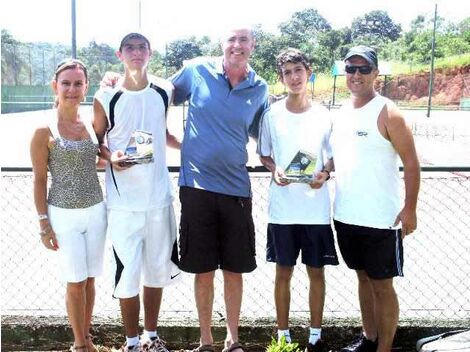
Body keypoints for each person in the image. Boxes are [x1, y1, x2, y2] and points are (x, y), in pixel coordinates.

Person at [170, 25, 269, 352]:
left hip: (237, 190)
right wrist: (171, 141)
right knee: (202, 270)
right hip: (196, 187)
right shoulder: (197, 70)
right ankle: (206, 341)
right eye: (232, 39)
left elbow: (265, 135)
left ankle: (233, 340)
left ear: (252, 47)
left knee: (233, 270)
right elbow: (158, 96)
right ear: (222, 44)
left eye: (244, 40)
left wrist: (291, 162)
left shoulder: (260, 88)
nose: (237, 45)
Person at [93, 33, 181, 352]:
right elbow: (97, 141)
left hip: (159, 201)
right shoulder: (106, 95)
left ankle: (151, 338)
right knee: (127, 274)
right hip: (123, 205)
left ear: (150, 53)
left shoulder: (165, 90)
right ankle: (131, 342)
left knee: (156, 272)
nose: (136, 52)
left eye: (141, 47)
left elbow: (163, 132)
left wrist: (190, 147)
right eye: (129, 48)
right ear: (119, 54)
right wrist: (110, 157)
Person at [330, 45, 420, 352]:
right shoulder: (341, 111)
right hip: (345, 216)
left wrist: (410, 209)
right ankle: (368, 339)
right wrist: (320, 172)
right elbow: (337, 157)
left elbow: (411, 162)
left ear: (376, 74)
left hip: (382, 220)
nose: (356, 75)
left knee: (383, 285)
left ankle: (385, 347)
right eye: (351, 69)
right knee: (363, 278)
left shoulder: (388, 112)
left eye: (363, 69)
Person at [257, 48, 338, 352]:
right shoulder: (271, 114)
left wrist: (325, 174)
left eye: (298, 71)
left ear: (309, 72)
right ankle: (283, 335)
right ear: (282, 77)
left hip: (315, 210)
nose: (294, 77)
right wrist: (275, 169)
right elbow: (264, 155)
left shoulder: (324, 115)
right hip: (283, 211)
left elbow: (331, 159)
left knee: (316, 272)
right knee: (283, 273)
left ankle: (316, 336)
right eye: (287, 72)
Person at [30, 59, 107, 352]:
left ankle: (87, 337)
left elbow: (94, 160)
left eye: (78, 83)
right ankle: (78, 345)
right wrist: (43, 223)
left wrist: (115, 162)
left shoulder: (89, 124)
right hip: (63, 215)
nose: (72, 89)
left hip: (96, 212)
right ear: (55, 86)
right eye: (66, 83)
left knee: (89, 281)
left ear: (85, 87)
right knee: (74, 282)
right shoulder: (43, 130)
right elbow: (39, 180)